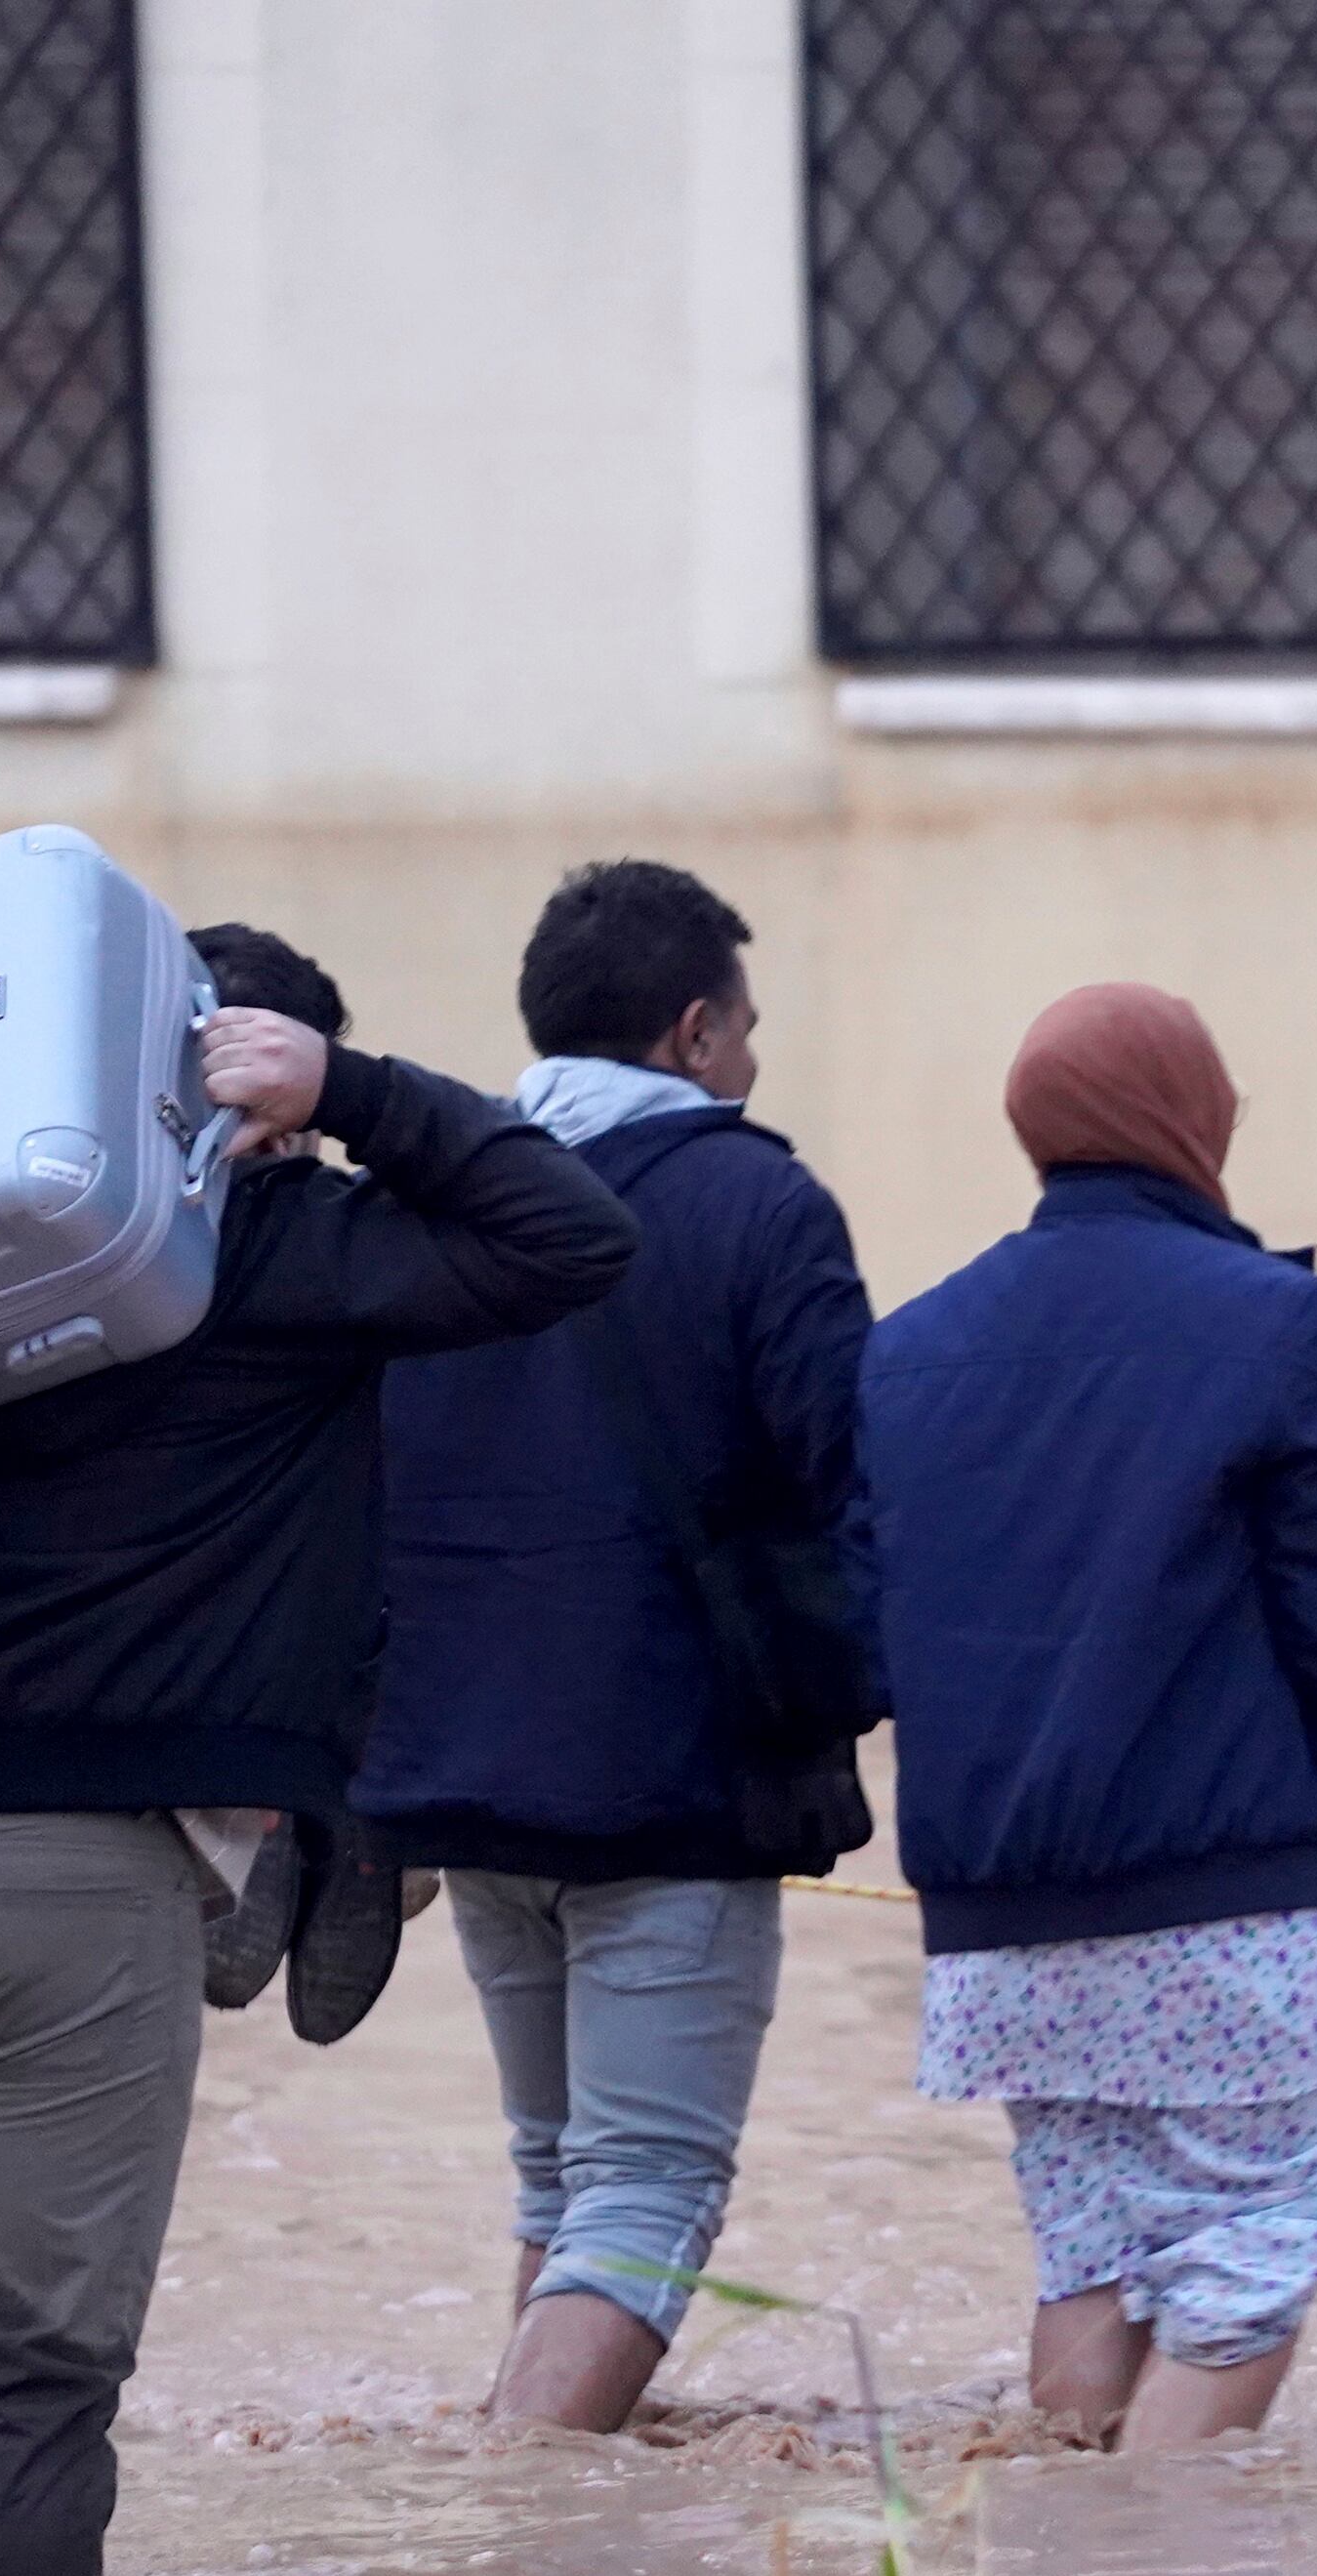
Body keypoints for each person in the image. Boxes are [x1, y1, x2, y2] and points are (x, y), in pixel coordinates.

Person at [0, 931, 636, 2576]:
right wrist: (359, 1098)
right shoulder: (261, 1245)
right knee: (37, 2369)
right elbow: (570, 1232)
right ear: (247, 1093)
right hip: (59, 1872)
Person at [859, 984, 1317, 2452]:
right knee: (1247, 2262)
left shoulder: (912, 1347)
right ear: (1194, 1116)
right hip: (1234, 1912)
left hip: (1003, 1939)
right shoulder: (1279, 1324)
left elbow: (888, 1623)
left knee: (1092, 2262)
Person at [353, 860, 879, 2432]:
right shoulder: (757, 1201)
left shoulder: (432, 1200)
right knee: (648, 2193)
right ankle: (511, 2506)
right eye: (748, 1029)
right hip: (668, 1776)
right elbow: (857, 1471)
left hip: (457, 1780)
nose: (754, 1062)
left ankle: (549, 2570)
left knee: (561, 2168)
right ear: (696, 1030)